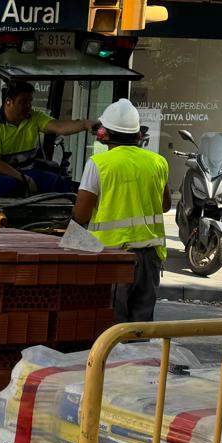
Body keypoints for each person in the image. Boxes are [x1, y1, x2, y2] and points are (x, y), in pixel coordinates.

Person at [71, 98, 170, 325]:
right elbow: (164, 206)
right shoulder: (158, 162)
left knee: (112, 329)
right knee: (141, 329)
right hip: (150, 258)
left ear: (105, 133)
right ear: (137, 135)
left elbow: (82, 215)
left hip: (112, 258)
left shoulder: (98, 164)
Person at [0, 79, 94, 197]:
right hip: (2, 172)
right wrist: (23, 178)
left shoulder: (34, 116)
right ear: (8, 102)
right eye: (23, 102)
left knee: (58, 182)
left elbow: (60, 127)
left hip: (28, 170)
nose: (28, 106)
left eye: (30, 101)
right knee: (9, 185)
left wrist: (85, 124)